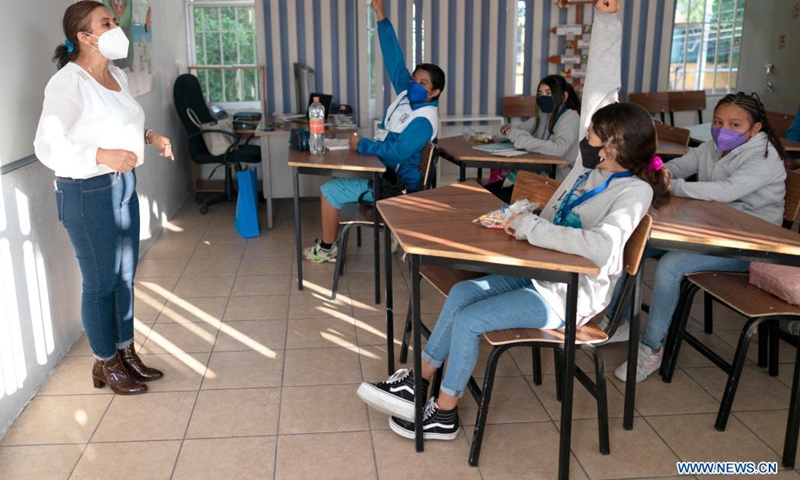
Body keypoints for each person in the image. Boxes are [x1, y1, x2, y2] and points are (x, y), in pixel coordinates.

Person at [356, 0, 671, 440]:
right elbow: (600, 84)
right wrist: (524, 211)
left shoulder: (633, 191)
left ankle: (443, 414)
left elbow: (601, 247)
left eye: (594, 133)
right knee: (464, 291)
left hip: (570, 295)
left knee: (469, 321)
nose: (587, 136)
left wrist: (532, 227)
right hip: (537, 271)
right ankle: (418, 381)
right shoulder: (590, 168)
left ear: (614, 145)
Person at [34, 1, 173, 395]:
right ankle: (105, 362)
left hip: (123, 185)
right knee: (100, 283)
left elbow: (121, 124)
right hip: (86, 191)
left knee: (125, 279)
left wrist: (150, 137)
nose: (116, 28)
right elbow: (48, 145)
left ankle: (125, 352)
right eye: (107, 22)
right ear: (84, 36)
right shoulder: (68, 82)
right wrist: (99, 155)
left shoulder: (115, 75)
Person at [611, 92, 788, 383]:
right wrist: (660, 172)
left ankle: (652, 346)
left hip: (748, 246)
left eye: (734, 124)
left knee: (671, 265)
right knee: (635, 242)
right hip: (710, 232)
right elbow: (682, 165)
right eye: (718, 122)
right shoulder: (713, 146)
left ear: (755, 129)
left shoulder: (764, 158)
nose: (723, 129)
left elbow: (725, 190)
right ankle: (618, 321)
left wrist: (671, 186)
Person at [303, 0, 445, 263]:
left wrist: (364, 146)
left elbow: (400, 151)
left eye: (422, 82)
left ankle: (326, 249)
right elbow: (394, 59)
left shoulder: (424, 118)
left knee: (328, 190)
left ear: (434, 92)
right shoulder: (410, 95)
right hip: (386, 173)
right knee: (344, 174)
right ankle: (385, 229)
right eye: (414, 78)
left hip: (395, 186)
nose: (414, 83)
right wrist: (381, 16)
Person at [486, 75, 581, 201]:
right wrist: (506, 131)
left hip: (556, 184)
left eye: (548, 93)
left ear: (564, 96)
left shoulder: (570, 118)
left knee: (493, 198)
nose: (543, 97)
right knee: (486, 192)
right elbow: (517, 129)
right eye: (540, 94)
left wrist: (520, 138)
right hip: (537, 178)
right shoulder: (545, 116)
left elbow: (559, 149)